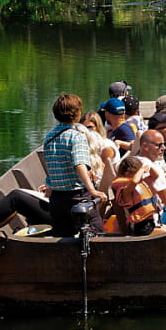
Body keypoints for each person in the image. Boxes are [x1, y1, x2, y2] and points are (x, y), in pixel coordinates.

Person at [44, 93, 105, 238]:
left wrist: (49, 185)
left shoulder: (49, 137)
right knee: (96, 234)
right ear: (77, 114)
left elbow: (50, 165)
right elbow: (79, 165)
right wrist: (92, 190)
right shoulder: (76, 137)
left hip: (57, 200)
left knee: (64, 239)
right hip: (77, 197)